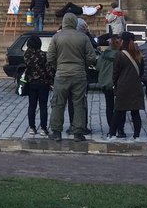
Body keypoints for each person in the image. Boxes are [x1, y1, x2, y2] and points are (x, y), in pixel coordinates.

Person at [46, 12, 97, 141]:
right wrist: (82, 64)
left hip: (62, 74)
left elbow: (50, 57)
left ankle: (56, 132)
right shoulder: (83, 37)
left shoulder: (56, 37)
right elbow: (92, 57)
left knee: (58, 103)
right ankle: (78, 132)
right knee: (79, 104)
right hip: (79, 74)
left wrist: (58, 66)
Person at [110, 32, 144, 139]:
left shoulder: (120, 55)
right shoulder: (139, 54)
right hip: (136, 86)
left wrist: (114, 83)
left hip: (123, 86)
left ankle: (112, 134)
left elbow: (115, 73)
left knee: (118, 111)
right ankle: (136, 135)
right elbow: (142, 71)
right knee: (135, 112)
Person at [22, 34, 51, 136]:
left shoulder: (26, 55)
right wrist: (51, 80)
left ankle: (32, 127)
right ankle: (43, 128)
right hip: (43, 83)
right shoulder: (43, 55)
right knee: (43, 106)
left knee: (32, 106)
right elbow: (48, 70)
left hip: (31, 83)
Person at [95, 34, 121, 133]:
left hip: (106, 82)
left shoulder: (104, 54)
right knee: (119, 106)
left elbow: (98, 67)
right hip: (118, 82)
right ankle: (119, 127)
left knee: (109, 105)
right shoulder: (121, 54)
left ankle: (111, 126)